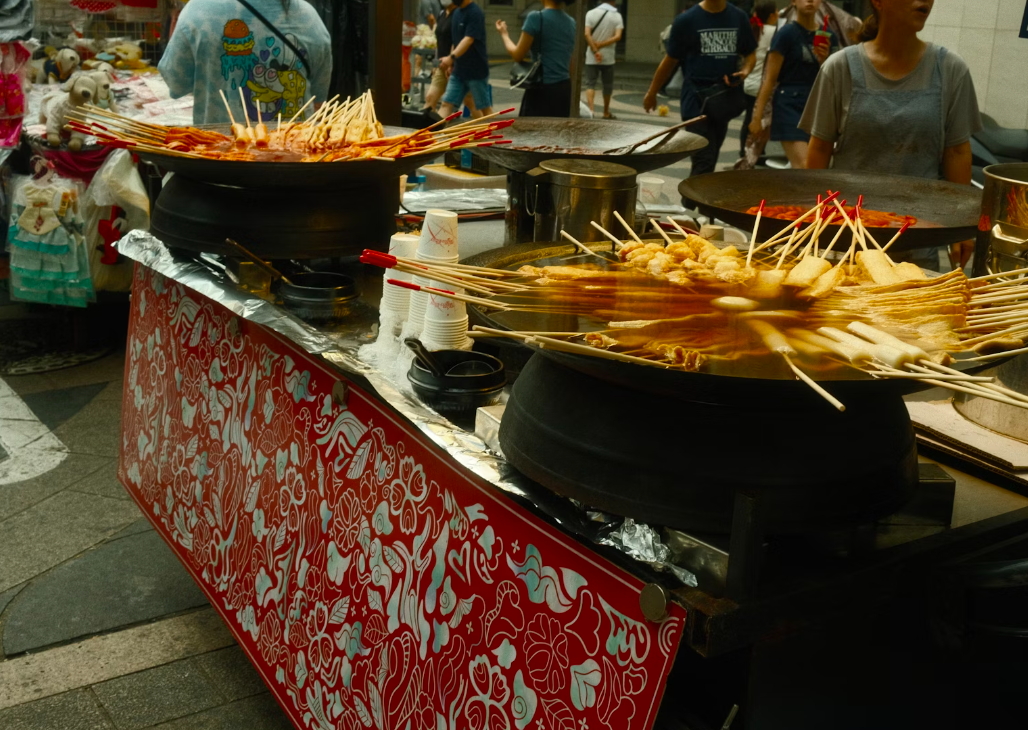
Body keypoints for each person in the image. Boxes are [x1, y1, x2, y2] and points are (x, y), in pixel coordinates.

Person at [800, 0, 982, 268]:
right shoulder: (840, 68)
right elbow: (819, 149)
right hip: (847, 238)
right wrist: (814, 223)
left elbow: (956, 151)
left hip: (918, 241)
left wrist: (962, 225)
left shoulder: (950, 70)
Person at [159, 0, 331, 126]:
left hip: (217, 162)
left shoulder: (197, 11)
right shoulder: (310, 17)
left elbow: (176, 83)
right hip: (297, 166)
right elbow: (317, 103)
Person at [643, 0, 757, 177]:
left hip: (722, 99)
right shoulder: (686, 20)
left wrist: (745, 71)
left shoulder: (738, 17)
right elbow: (670, 60)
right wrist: (652, 93)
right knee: (704, 157)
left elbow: (750, 53)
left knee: (711, 156)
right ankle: (690, 204)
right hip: (695, 100)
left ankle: (689, 202)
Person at [749, 0, 837, 169]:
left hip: (818, 106)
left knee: (818, 168)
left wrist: (824, 60)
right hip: (789, 104)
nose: (810, 1)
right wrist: (757, 117)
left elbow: (835, 80)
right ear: (794, 2)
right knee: (805, 166)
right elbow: (769, 78)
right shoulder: (786, 34)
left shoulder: (829, 36)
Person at [495, 0, 576, 117]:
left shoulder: (536, 18)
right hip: (564, 89)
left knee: (534, 132)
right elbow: (571, 62)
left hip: (541, 89)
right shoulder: (571, 22)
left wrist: (504, 34)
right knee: (558, 132)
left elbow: (518, 55)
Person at [439, 0, 493, 117]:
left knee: (484, 107)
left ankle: (493, 133)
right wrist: (451, 62)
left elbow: (468, 39)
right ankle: (434, 134)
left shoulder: (475, 13)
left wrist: (451, 58)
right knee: (446, 103)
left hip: (476, 71)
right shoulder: (457, 13)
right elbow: (456, 41)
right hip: (459, 71)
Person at [423, 0, 476, 113]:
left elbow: (457, 40)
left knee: (469, 102)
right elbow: (439, 39)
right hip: (442, 65)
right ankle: (428, 127)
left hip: (458, 65)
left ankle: (487, 126)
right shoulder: (442, 13)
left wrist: (451, 63)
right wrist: (436, 63)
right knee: (430, 98)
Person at [739, 0, 777, 156]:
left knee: (749, 118)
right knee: (760, 120)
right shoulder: (773, 31)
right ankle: (752, 151)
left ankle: (748, 151)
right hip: (762, 84)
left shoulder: (754, 29)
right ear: (772, 15)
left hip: (748, 82)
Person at [583, 0, 624, 119]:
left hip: (591, 56)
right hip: (608, 57)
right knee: (607, 85)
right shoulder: (617, 16)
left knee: (590, 83)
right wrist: (601, 45)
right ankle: (606, 112)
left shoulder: (590, 13)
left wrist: (595, 50)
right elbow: (618, 36)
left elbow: (587, 34)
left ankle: (591, 111)